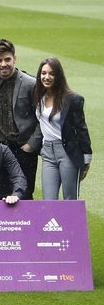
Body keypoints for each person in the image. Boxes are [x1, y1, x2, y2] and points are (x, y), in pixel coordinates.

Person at [26, 57, 92, 200]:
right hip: (48, 153)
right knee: (49, 200)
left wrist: (86, 160)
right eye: (43, 73)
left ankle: (71, 223)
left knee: (70, 199)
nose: (46, 77)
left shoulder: (72, 99)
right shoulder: (39, 95)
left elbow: (82, 129)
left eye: (51, 74)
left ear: (58, 76)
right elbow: (22, 76)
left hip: (68, 152)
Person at [0, 39, 39, 199]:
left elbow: (42, 117)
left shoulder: (30, 84)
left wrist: (32, 144)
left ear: (15, 58)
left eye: (7, 59)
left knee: (25, 194)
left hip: (22, 148)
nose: (3, 64)